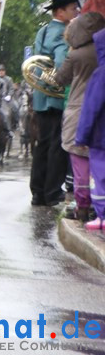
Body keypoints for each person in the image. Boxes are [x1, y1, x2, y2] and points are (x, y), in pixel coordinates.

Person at [53, 11, 105, 221]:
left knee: (79, 161)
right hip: (101, 111)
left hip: (77, 110)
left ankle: (83, 205)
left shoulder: (75, 54)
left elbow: (60, 79)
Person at [30, 0, 79, 207]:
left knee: (42, 144)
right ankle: (51, 192)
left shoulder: (43, 30)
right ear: (60, 12)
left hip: (41, 97)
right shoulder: (61, 33)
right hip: (56, 98)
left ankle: (38, 191)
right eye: (72, 9)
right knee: (57, 146)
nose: (76, 12)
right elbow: (62, 64)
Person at [74, 25, 105, 229]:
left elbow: (91, 107)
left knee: (101, 175)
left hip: (101, 137)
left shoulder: (101, 73)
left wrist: (81, 136)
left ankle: (102, 215)